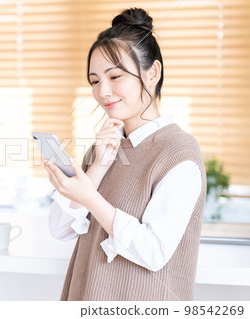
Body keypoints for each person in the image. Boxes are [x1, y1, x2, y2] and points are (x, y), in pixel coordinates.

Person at [43, 8, 206, 301]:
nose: (103, 91)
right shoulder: (104, 147)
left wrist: (88, 196)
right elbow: (59, 228)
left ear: (152, 73)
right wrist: (99, 167)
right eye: (94, 81)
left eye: (115, 76)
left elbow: (154, 251)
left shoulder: (179, 152)